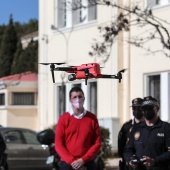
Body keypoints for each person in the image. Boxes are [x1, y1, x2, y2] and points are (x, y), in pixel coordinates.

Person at [55, 86, 101, 170]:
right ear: (70, 100)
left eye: (80, 97)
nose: (78, 99)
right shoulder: (63, 119)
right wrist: (72, 162)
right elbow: (58, 144)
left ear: (84, 98)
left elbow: (97, 143)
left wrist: (83, 160)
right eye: (75, 97)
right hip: (67, 164)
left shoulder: (92, 118)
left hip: (87, 163)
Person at [124, 96, 170, 170]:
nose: (146, 111)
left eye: (149, 108)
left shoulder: (166, 128)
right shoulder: (136, 128)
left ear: (157, 109)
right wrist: (131, 159)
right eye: (144, 108)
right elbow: (128, 150)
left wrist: (154, 161)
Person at [118, 98, 144, 170]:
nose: (136, 110)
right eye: (134, 108)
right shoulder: (127, 127)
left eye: (139, 108)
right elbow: (121, 148)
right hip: (129, 165)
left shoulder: (148, 126)